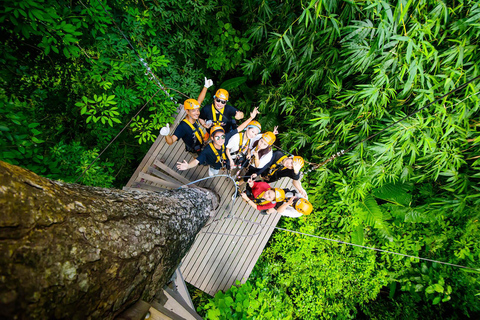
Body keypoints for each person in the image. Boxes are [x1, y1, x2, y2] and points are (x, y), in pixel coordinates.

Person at [176, 108, 259, 176]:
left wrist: (251, 118)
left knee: (218, 168)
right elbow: (197, 160)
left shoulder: (225, 138)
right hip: (214, 163)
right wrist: (188, 166)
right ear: (212, 138)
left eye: (222, 136)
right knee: (213, 170)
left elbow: (239, 129)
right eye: (217, 137)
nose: (221, 139)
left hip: (223, 161)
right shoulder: (207, 150)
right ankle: (212, 171)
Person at [160, 77, 214, 154]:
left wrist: (205, 87)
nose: (197, 112)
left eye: (198, 110)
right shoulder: (182, 127)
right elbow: (171, 141)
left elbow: (199, 101)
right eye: (193, 111)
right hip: (196, 150)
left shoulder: (193, 116)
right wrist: (166, 135)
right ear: (187, 111)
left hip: (202, 141)